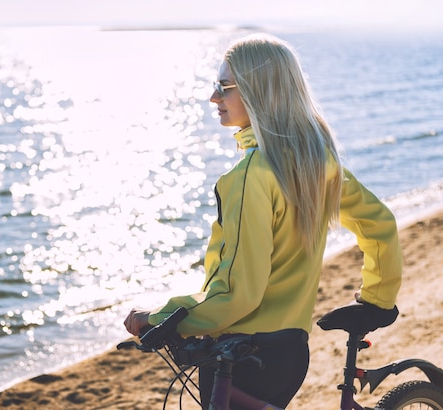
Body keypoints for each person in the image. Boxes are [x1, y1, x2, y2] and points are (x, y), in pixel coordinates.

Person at [123, 33, 402, 409]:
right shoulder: (315, 161)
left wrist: (161, 318)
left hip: (242, 358)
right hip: (289, 354)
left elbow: (240, 294)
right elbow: (379, 223)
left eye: (224, 87)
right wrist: (378, 299)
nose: (213, 98)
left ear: (258, 92)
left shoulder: (249, 176)